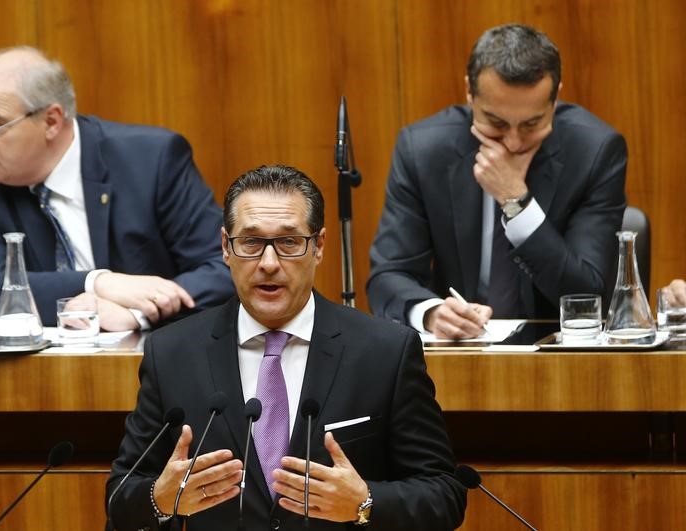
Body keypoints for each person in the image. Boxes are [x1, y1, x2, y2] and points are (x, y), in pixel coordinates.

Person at [106, 165, 466, 530]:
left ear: (319, 246)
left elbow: (444, 494)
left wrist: (365, 503)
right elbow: (121, 497)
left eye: (289, 243)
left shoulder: (385, 352)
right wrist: (159, 500)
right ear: (225, 248)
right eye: (250, 242)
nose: (268, 264)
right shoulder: (172, 354)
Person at [368, 23, 627, 339]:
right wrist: (432, 312)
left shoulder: (594, 152)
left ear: (556, 99)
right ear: (469, 92)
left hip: (559, 358)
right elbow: (388, 275)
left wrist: (516, 201)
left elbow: (589, 295)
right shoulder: (422, 151)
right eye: (496, 122)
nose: (514, 142)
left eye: (532, 123)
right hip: (458, 357)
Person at [0, 46, 234, 328]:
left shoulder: (151, 160)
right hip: (44, 366)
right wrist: (98, 282)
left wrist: (137, 314)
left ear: (51, 121)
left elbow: (226, 265)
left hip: (158, 357)